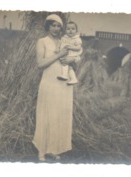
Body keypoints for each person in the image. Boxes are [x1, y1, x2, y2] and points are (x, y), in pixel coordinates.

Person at [32, 14, 75, 161]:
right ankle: (41, 151)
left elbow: (73, 60)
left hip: (63, 84)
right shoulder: (42, 41)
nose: (56, 29)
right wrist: (59, 55)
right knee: (46, 115)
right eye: (53, 25)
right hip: (49, 83)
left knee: (58, 116)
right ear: (48, 26)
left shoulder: (64, 42)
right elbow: (40, 64)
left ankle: (54, 149)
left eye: (58, 26)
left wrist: (70, 59)